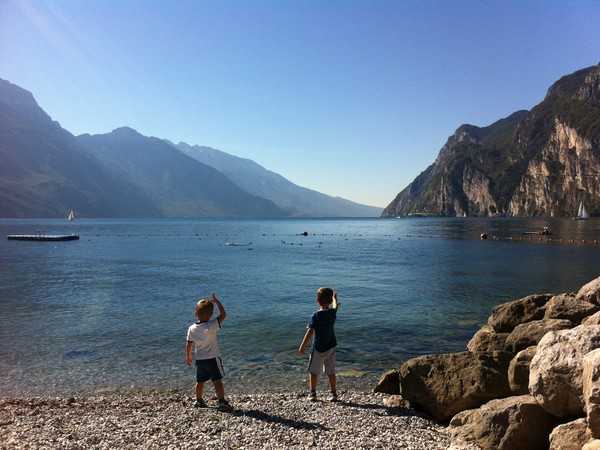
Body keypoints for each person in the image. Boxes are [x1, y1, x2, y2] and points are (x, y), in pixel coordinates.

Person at [185, 293, 231, 410]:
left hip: (200, 360)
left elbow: (189, 344)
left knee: (200, 381)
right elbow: (223, 315)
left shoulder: (191, 328)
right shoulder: (212, 325)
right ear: (210, 315)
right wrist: (217, 302)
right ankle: (221, 402)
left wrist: (188, 356)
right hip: (213, 359)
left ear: (196, 314)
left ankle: (199, 400)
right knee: (217, 381)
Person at [297, 287, 340, 402]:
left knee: (313, 372)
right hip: (331, 346)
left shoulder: (315, 316)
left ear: (317, 301)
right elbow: (336, 307)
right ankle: (334, 393)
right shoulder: (332, 313)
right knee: (331, 372)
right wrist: (335, 299)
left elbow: (310, 332)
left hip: (318, 348)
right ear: (330, 301)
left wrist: (302, 347)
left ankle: (313, 393)